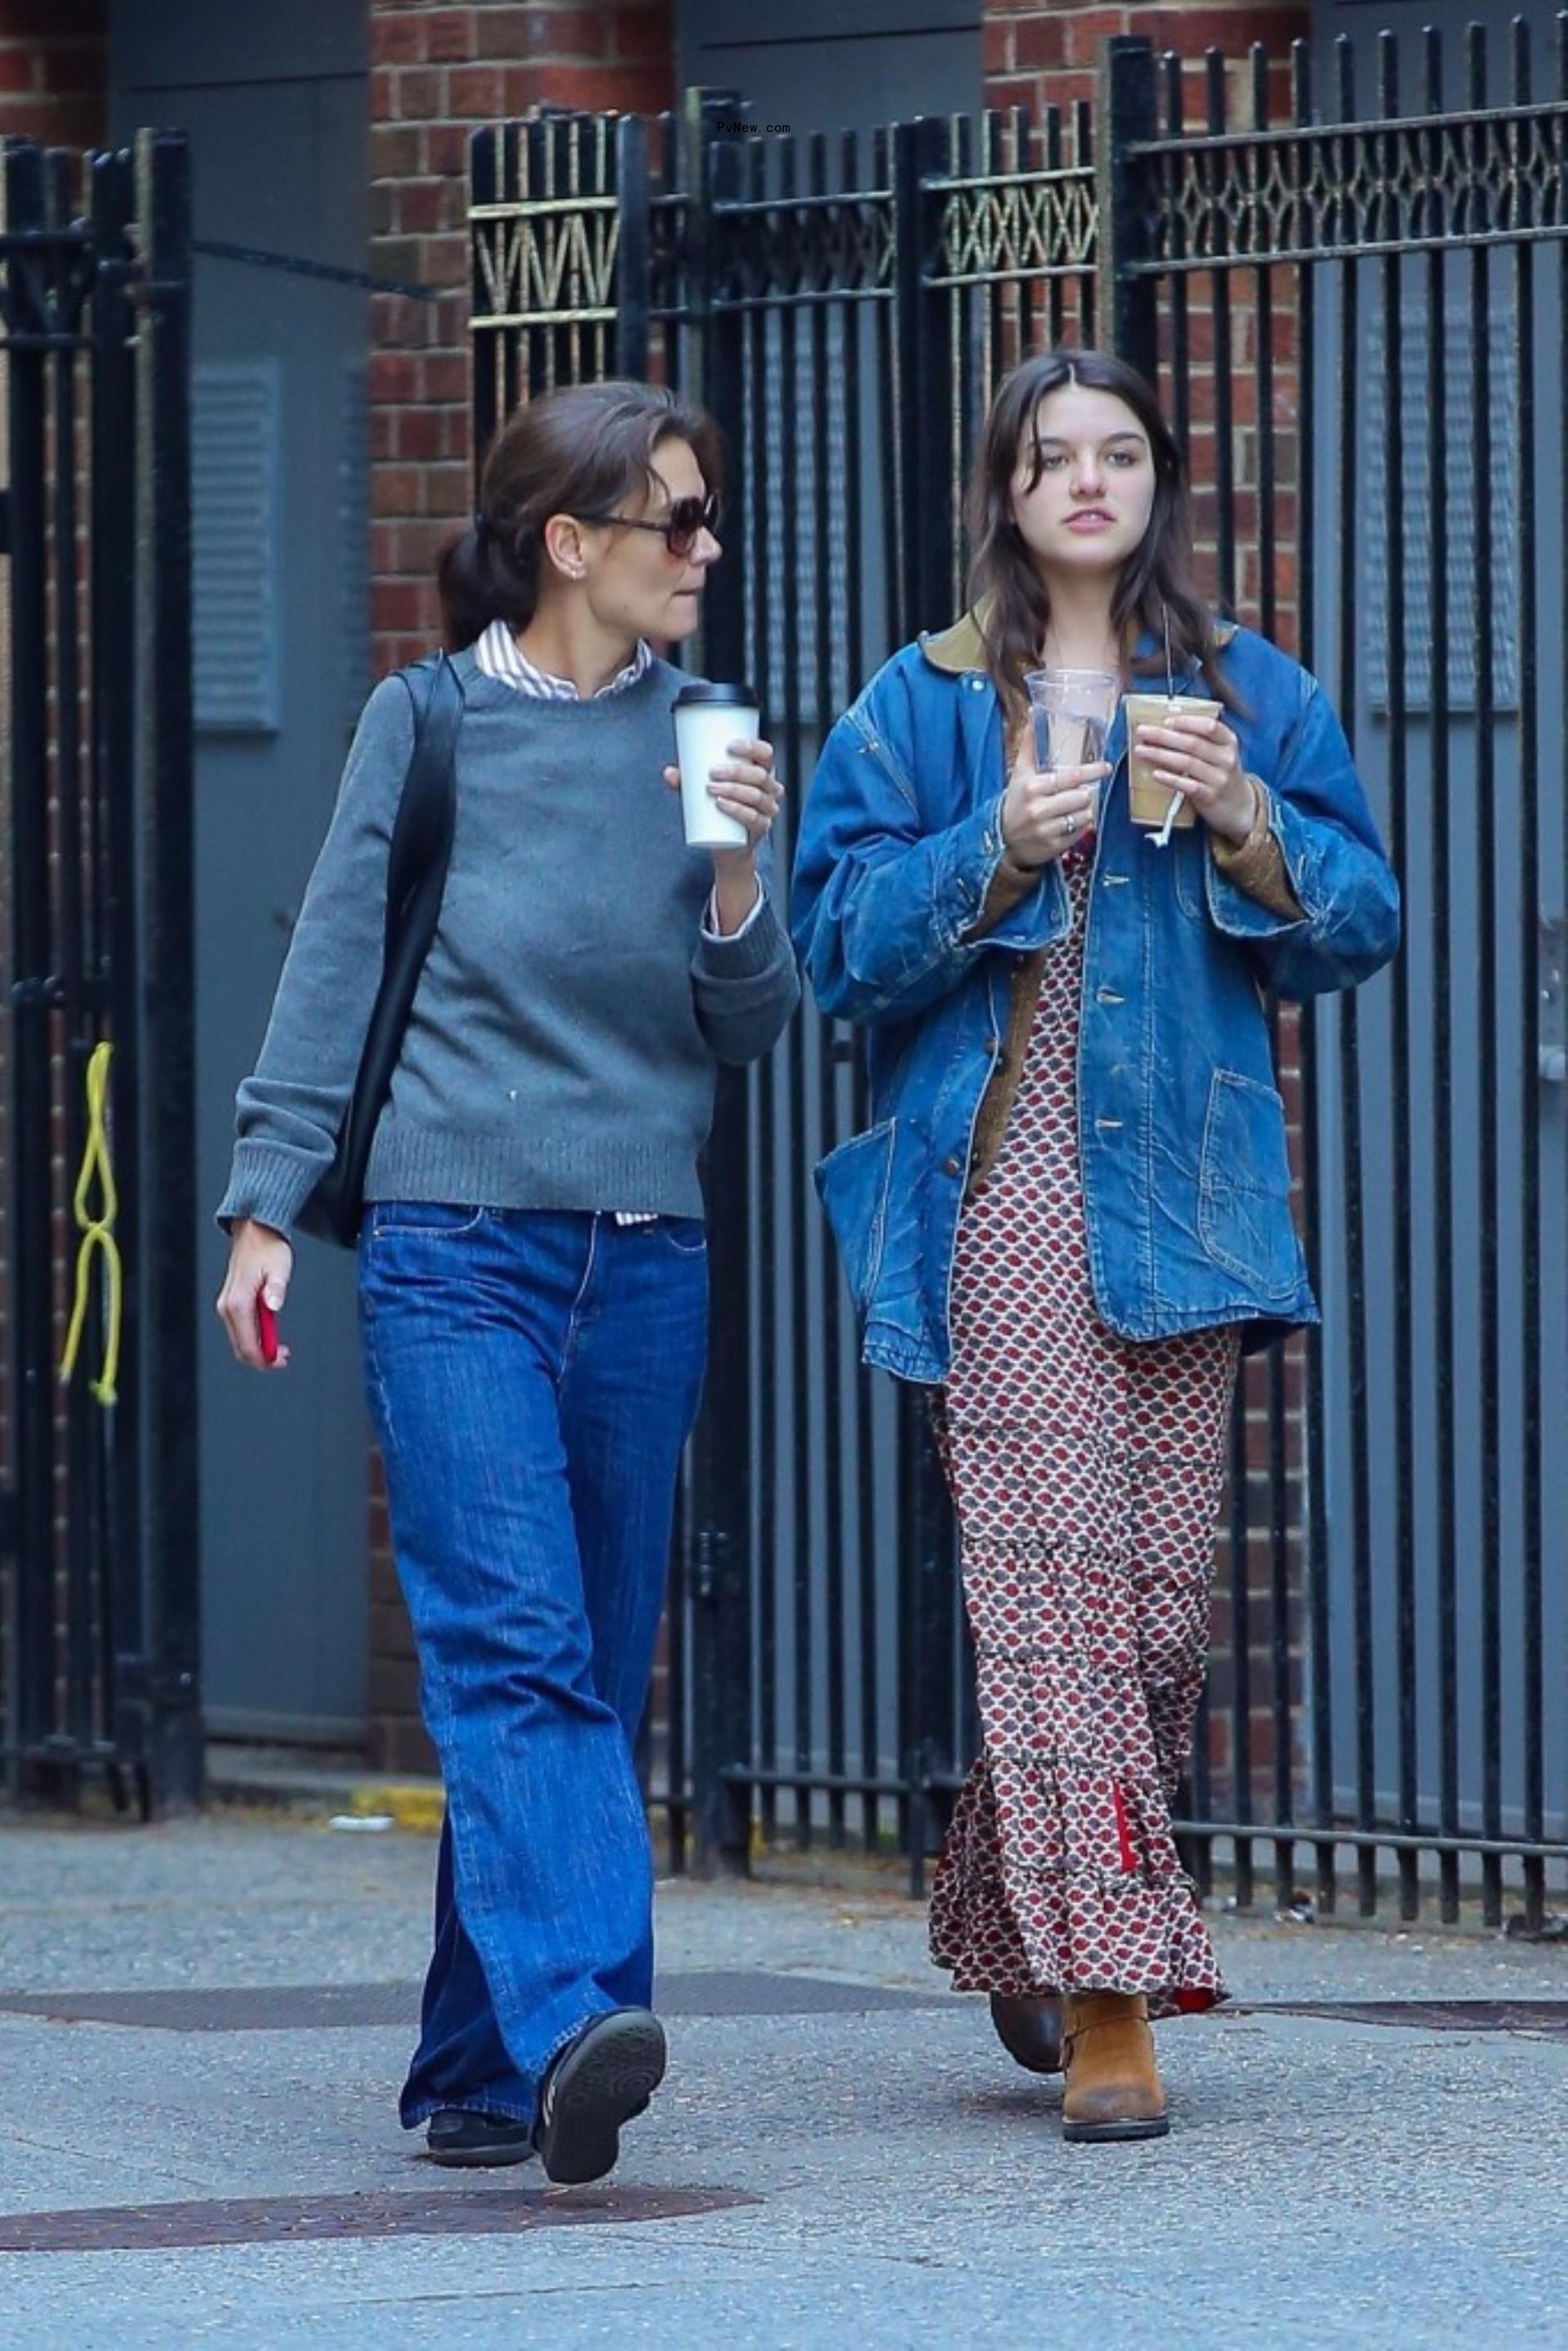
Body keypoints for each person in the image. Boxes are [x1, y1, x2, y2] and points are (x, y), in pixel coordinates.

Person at [791, 349, 1399, 2144]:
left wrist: (1243, 817)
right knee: (1051, 1576)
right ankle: (1117, 1995)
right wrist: (994, 844)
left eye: (1117, 451)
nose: (1085, 479)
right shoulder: (917, 704)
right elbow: (837, 949)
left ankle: (1012, 1905)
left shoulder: (1242, 686)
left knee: (1144, 1607)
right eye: (1052, 453)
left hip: (1184, 1198)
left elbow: (1359, 918)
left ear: (1158, 483)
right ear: (1003, 486)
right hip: (994, 1196)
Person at [215, 379, 799, 2184]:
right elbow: (330, 973)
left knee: (586, 1668)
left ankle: (479, 2065)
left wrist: (734, 880)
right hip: (453, 1241)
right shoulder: (429, 723)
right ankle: (570, 2023)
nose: (705, 551)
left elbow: (755, 1025)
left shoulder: (710, 732)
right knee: (515, 1643)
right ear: (569, 542)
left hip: (644, 1259)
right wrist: (261, 1197)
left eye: (708, 520)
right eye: (673, 522)